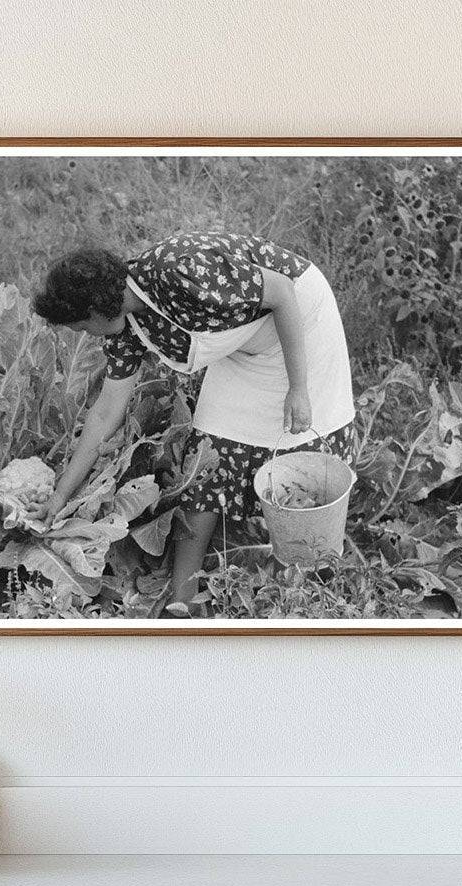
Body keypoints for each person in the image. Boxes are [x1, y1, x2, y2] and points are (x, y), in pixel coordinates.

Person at [31, 231, 354, 615]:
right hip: (243, 348)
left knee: (304, 465)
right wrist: (59, 496)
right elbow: (106, 411)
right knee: (208, 459)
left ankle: (318, 593)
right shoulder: (126, 329)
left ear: (97, 310)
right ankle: (182, 601)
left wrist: (298, 388)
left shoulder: (179, 270)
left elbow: (282, 293)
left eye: (82, 328)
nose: (84, 335)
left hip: (299, 323)